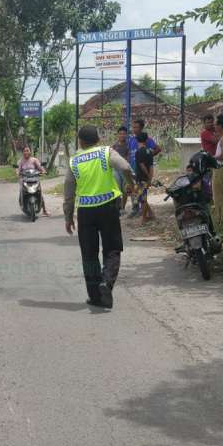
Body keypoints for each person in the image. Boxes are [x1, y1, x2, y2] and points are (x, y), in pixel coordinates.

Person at [63, 125, 136, 309]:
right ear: (98, 139)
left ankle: (95, 297)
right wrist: (130, 184)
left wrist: (68, 216)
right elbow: (126, 167)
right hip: (108, 207)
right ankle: (107, 283)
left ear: (80, 141)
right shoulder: (105, 152)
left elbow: (68, 191)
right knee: (112, 249)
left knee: (89, 254)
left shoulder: (74, 161)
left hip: (85, 211)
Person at [128, 118, 161, 217]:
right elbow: (130, 153)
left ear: (141, 128)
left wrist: (149, 156)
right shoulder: (131, 139)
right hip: (133, 168)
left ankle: (144, 212)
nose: (134, 129)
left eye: (136, 127)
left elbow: (158, 148)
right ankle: (136, 209)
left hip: (142, 171)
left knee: (141, 192)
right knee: (133, 190)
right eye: (133, 127)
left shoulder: (146, 139)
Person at [17, 145, 50, 217]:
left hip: (34, 179)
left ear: (30, 152)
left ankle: (44, 210)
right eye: (24, 151)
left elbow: (40, 168)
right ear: (22, 152)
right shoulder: (21, 161)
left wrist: (43, 171)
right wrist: (18, 173)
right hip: (25, 180)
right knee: (22, 191)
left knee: (40, 193)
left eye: (27, 150)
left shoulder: (34, 160)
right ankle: (22, 203)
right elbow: (18, 170)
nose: (26, 152)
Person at [134, 133, 156, 224]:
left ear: (137, 140)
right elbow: (151, 166)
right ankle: (151, 213)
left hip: (141, 178)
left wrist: (147, 176)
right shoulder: (149, 151)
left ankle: (144, 218)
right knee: (141, 197)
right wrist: (150, 178)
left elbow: (142, 166)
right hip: (145, 178)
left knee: (142, 198)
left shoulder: (138, 152)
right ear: (146, 140)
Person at [111, 126, 130, 214]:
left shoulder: (128, 145)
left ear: (126, 135)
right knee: (117, 189)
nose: (122, 135)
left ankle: (123, 208)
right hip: (116, 170)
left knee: (125, 189)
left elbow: (129, 158)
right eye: (120, 133)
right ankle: (117, 207)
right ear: (118, 135)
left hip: (125, 170)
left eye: (124, 134)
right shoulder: (114, 146)